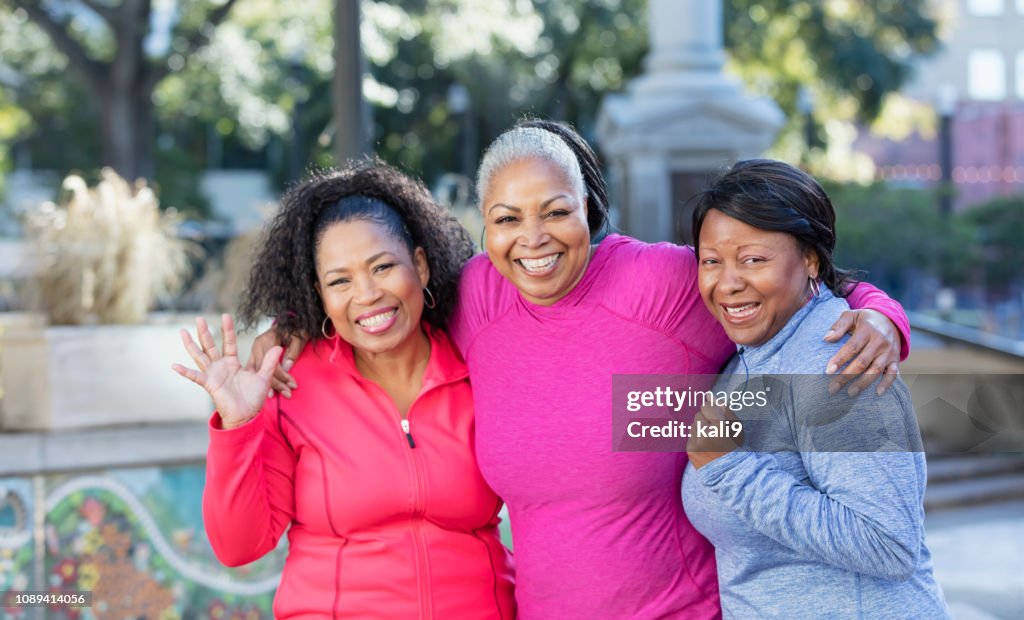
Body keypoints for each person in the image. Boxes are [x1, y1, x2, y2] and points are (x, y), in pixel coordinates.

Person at [251, 121, 911, 618]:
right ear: (483, 228)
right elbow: (377, 302)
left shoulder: (658, 282)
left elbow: (767, 276)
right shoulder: (477, 297)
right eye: (507, 219)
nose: (532, 239)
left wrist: (881, 315)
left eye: (556, 211)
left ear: (589, 209)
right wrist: (289, 328)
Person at [172, 161, 515, 619]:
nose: (367, 294)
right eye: (341, 281)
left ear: (420, 264)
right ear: (321, 295)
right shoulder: (291, 382)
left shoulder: (480, 366)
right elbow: (239, 547)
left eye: (382, 266)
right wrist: (238, 425)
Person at [682, 159, 950, 618]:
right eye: (711, 261)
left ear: (810, 258)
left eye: (753, 259)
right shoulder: (753, 354)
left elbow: (887, 543)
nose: (727, 282)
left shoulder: (837, 361)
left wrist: (731, 470)